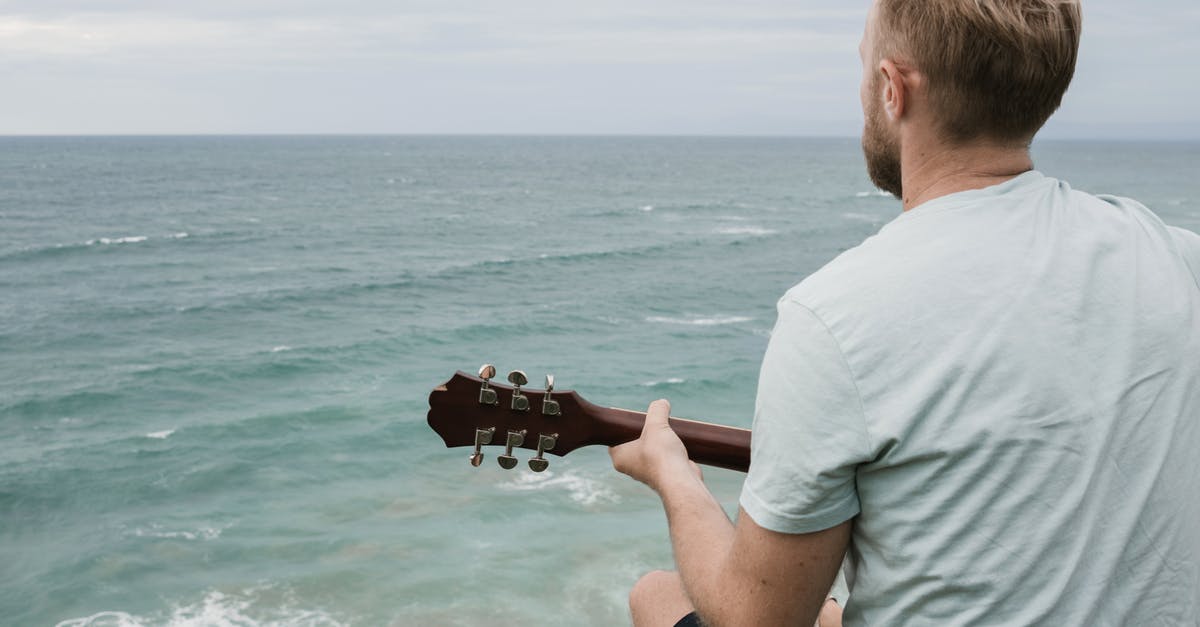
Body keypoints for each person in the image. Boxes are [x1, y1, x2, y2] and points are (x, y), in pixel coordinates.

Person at [609, 0, 1200, 625]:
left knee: (657, 595)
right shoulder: (1178, 258)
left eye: (865, 67)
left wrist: (673, 474)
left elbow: (755, 618)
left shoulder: (834, 316)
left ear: (893, 90)